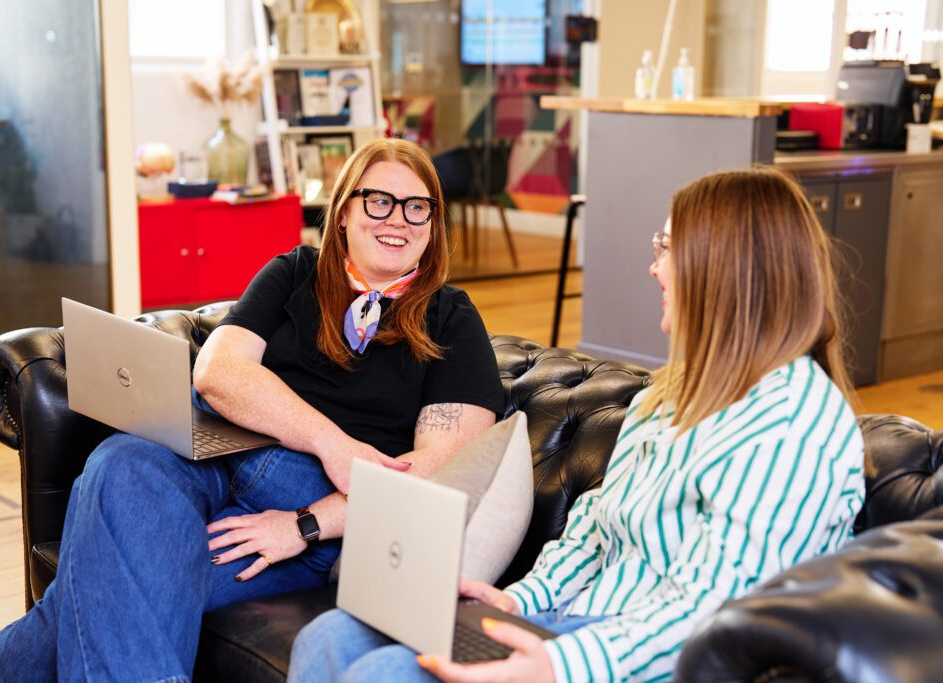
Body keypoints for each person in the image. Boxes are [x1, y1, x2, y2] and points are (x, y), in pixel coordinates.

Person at [0, 138, 504, 682]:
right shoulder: (295, 272)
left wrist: (307, 524)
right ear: (343, 213)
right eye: (379, 201)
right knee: (120, 460)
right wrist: (332, 443)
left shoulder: (451, 318)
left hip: (312, 498)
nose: (398, 219)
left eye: (417, 207)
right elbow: (217, 373)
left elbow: (437, 467)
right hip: (215, 450)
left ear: (433, 223)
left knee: (89, 589)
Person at [287, 166, 868, 683]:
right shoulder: (670, 395)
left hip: (636, 656)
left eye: (668, 247)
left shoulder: (792, 426)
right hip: (573, 623)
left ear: (726, 268)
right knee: (331, 635)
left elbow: (712, 614)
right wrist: (518, 602)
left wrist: (560, 663)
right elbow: (594, 528)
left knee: (389, 674)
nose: (655, 266)